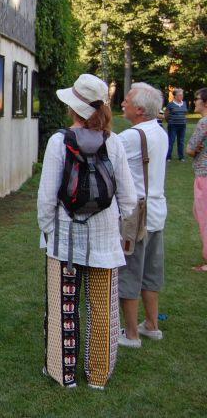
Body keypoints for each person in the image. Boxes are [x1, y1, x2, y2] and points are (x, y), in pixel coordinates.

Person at [38, 74, 137, 390]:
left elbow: (46, 197)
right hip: (105, 244)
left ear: (73, 107)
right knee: (103, 312)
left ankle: (62, 373)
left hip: (64, 243)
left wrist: (49, 231)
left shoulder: (59, 141)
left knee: (63, 309)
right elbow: (129, 199)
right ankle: (97, 376)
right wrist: (118, 225)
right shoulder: (114, 142)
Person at [117, 84, 168, 348]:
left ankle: (131, 334)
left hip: (136, 215)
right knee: (151, 270)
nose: (122, 104)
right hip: (157, 210)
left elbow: (108, 158)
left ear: (139, 109)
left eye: (126, 100)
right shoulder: (159, 132)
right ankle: (151, 325)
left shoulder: (131, 136)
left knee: (129, 271)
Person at [187, 88, 207, 272]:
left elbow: (190, 149)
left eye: (197, 99)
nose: (194, 102)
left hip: (204, 175)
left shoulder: (204, 122)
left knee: (204, 216)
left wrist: (196, 149)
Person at [165, 88, 188, 162]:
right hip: (173, 126)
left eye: (182, 95)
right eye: (180, 95)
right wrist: (170, 122)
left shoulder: (184, 103)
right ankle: (168, 157)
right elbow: (166, 116)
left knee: (181, 141)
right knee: (171, 141)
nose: (181, 96)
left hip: (182, 126)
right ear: (175, 96)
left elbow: (185, 113)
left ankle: (181, 157)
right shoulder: (170, 104)